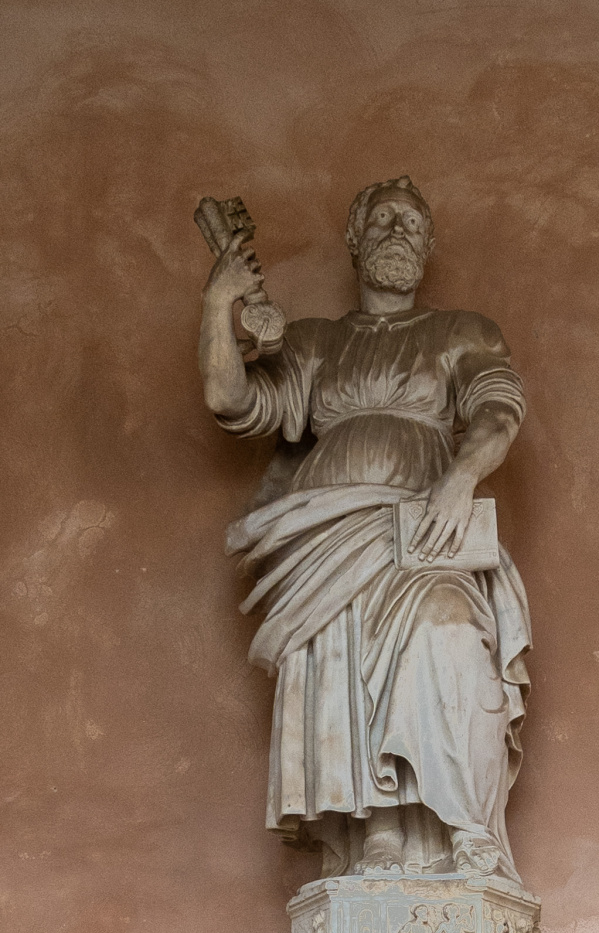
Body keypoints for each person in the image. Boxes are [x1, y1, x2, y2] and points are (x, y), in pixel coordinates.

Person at [198, 176, 531, 881]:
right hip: (326, 539)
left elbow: (499, 410)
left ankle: (466, 828)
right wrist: (218, 304)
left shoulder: (461, 331)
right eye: (381, 219)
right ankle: (377, 832)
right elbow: (233, 401)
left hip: (426, 526)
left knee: (447, 631)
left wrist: (460, 479)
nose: (396, 230)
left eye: (411, 221)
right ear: (354, 240)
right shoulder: (315, 342)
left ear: (429, 245)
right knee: (343, 667)